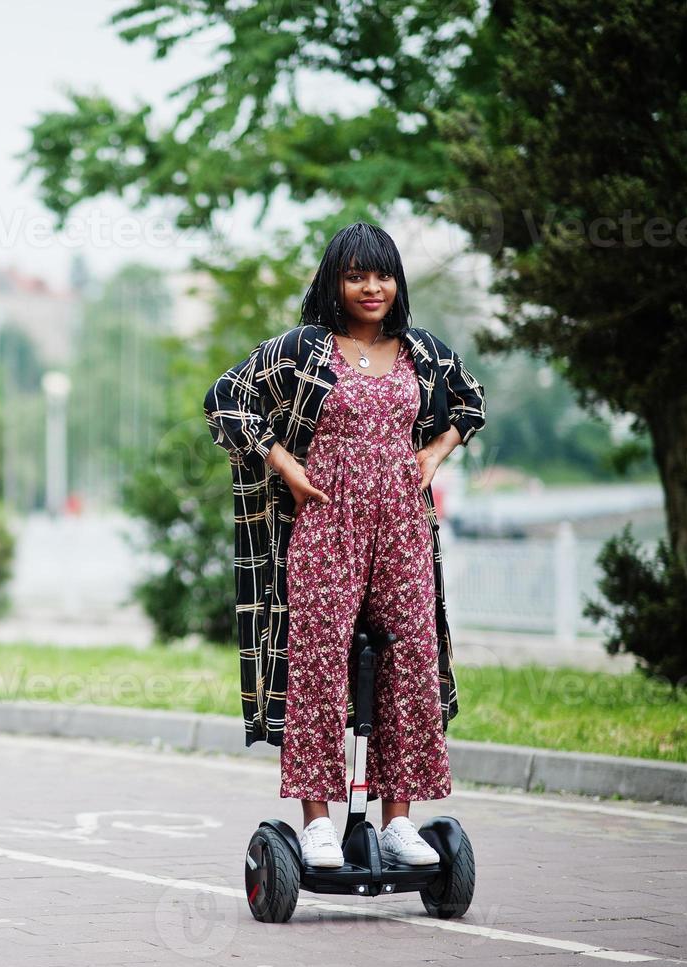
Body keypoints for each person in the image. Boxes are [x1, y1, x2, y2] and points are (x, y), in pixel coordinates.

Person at [203, 222, 487, 871]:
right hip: (325, 526)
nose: (370, 287)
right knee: (320, 667)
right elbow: (226, 399)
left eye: (381, 274)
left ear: (396, 282)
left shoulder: (419, 351)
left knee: (409, 662)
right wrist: (283, 464)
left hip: (401, 527)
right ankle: (316, 824)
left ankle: (396, 822)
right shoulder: (304, 349)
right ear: (334, 280)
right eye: (356, 275)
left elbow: (469, 403)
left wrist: (434, 453)